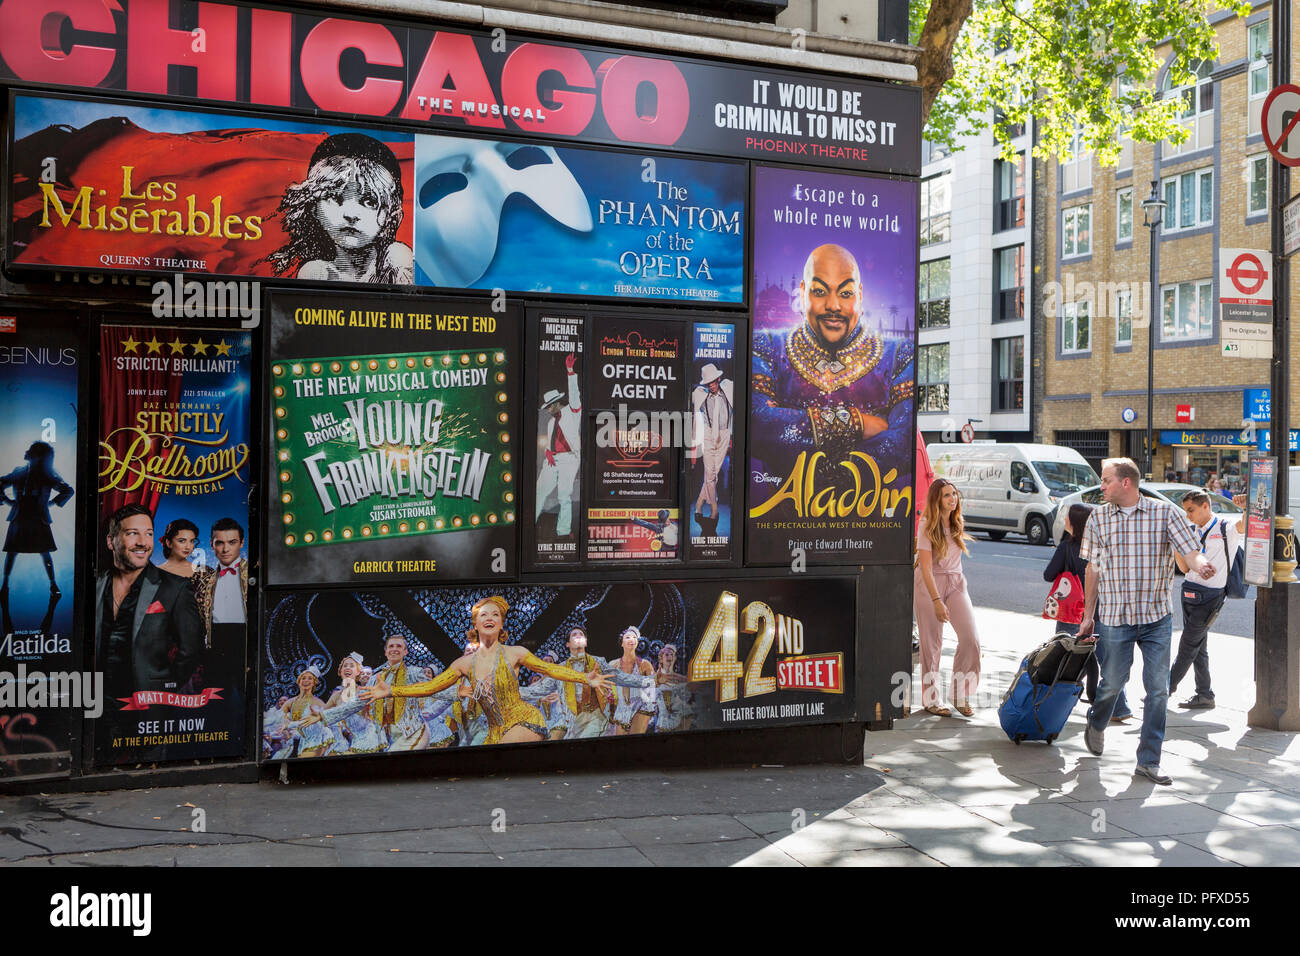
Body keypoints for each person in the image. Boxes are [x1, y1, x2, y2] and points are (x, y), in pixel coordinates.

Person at [1077, 458, 1212, 786]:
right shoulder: (1098, 518)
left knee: (1157, 690)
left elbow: (1190, 551)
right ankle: (1096, 721)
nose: (1101, 486)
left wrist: (1202, 564)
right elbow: (1092, 568)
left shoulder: (1165, 513)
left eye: (1106, 480)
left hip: (1155, 618)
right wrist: (1087, 616)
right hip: (1115, 619)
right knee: (1112, 682)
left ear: (1126, 483)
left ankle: (1149, 761)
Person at [751, 244, 913, 481]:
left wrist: (798, 434)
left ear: (860, 294)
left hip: (869, 515)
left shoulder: (898, 353)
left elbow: (904, 443)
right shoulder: (768, 346)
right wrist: (857, 424)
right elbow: (757, 424)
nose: (833, 305)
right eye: (819, 291)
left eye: (845, 294)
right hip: (780, 514)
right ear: (803, 291)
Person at [361, 596, 613, 746]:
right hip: (494, 731)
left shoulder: (515, 653)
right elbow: (430, 687)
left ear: (501, 622)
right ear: (476, 623)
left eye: (496, 614)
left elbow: (551, 670)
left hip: (524, 720)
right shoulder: (463, 664)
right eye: (484, 614)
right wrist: (391, 690)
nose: (490, 617)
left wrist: (585, 677)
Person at [265, 132, 413, 284]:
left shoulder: (398, 260)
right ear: (314, 207)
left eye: (369, 201)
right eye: (335, 197)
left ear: (392, 216)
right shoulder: (316, 273)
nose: (351, 214)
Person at [94, 504, 204, 698]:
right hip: (96, 701)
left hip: (147, 705)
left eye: (149, 534)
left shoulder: (176, 587)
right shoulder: (95, 584)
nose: (143, 542)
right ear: (111, 541)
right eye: (132, 533)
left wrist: (163, 688)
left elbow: (191, 650)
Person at [1169, 491, 1246, 710]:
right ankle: (1204, 694)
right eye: (1185, 511)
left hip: (1211, 597)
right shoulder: (1191, 531)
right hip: (1189, 592)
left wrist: (1246, 507)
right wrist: (1177, 546)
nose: (1188, 515)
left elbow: (1244, 525)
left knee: (1188, 645)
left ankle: (1164, 689)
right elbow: (1184, 568)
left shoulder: (1224, 528)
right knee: (1198, 647)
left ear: (1205, 506)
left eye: (1191, 510)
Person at [913, 479, 981, 717]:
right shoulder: (926, 527)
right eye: (946, 495)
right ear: (936, 500)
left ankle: (959, 693)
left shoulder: (956, 522)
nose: (953, 498)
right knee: (932, 646)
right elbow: (925, 568)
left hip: (956, 583)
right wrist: (936, 601)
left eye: (954, 494)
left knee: (971, 639)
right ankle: (931, 701)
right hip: (929, 584)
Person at [0, 441, 73, 597]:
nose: (27, 452)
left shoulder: (46, 475)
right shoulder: (21, 472)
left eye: (31, 451)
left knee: (43, 552)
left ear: (38, 456)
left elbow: (68, 490)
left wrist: (50, 504)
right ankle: (5, 584)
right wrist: (7, 501)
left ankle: (52, 584)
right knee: (14, 552)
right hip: (22, 517)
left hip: (35, 518)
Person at [1043, 503, 1099, 701]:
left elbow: (1049, 575)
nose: (1064, 519)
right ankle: (1097, 696)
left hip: (1072, 609)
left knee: (1067, 653)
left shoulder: (1067, 547)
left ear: (1075, 522)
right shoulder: (1097, 547)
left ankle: (1061, 694)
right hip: (1096, 608)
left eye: (1068, 517)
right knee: (1091, 652)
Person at [536, 353, 581, 539]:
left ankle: (562, 532)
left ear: (555, 404)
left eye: (549, 407)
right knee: (539, 491)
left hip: (569, 459)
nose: (547, 410)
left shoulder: (572, 412)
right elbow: (551, 441)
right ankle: (530, 522)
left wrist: (570, 372)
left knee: (564, 496)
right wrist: (547, 452)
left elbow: (574, 393)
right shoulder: (551, 422)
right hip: (553, 459)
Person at [690, 363, 734, 532]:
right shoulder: (700, 395)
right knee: (710, 473)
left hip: (724, 435)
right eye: (708, 384)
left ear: (718, 379)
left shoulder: (729, 389)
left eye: (713, 382)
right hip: (708, 435)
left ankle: (699, 504)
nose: (711, 386)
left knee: (713, 474)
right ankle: (714, 510)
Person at [608, 626, 657, 735]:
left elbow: (652, 689)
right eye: (628, 637)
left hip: (641, 706)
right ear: (622, 643)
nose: (632, 639)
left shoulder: (645, 664)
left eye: (634, 637)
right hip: (621, 708)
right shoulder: (613, 664)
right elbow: (607, 686)